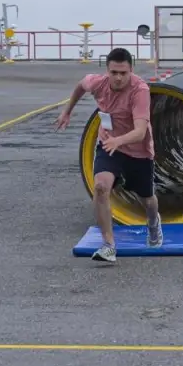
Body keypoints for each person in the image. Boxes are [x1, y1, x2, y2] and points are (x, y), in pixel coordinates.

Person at [55, 47, 161, 263]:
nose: (119, 78)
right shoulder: (97, 83)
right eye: (114, 72)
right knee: (101, 187)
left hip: (137, 150)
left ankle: (153, 223)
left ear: (131, 71)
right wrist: (67, 111)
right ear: (107, 71)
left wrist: (119, 140)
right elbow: (80, 86)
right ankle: (109, 245)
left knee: (147, 200)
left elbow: (141, 131)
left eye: (123, 73)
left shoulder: (140, 90)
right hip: (108, 145)